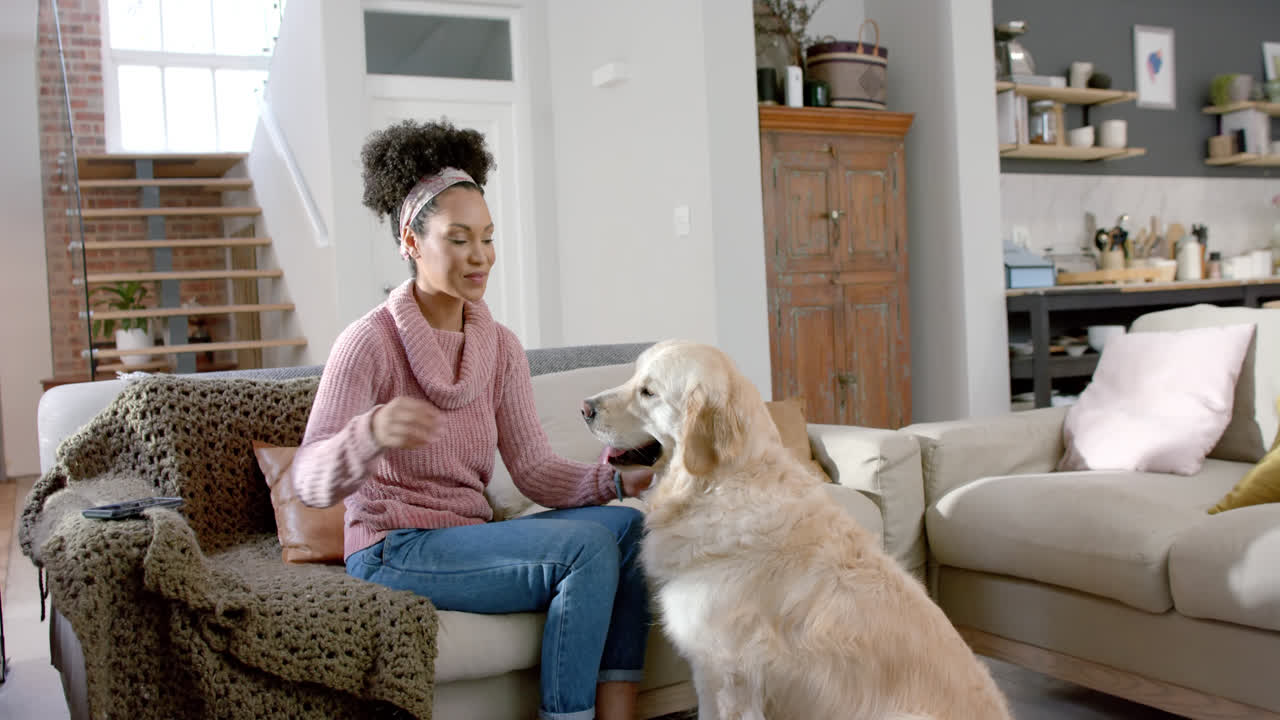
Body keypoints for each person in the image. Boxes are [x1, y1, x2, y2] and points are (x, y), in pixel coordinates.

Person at [292, 119, 653, 720]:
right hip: (392, 546)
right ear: (411, 240)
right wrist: (370, 434)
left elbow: (534, 470)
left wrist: (615, 481)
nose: (481, 256)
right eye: (459, 239)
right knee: (587, 548)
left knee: (628, 531)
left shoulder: (500, 346)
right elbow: (308, 482)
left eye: (487, 237)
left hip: (463, 536)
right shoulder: (368, 343)